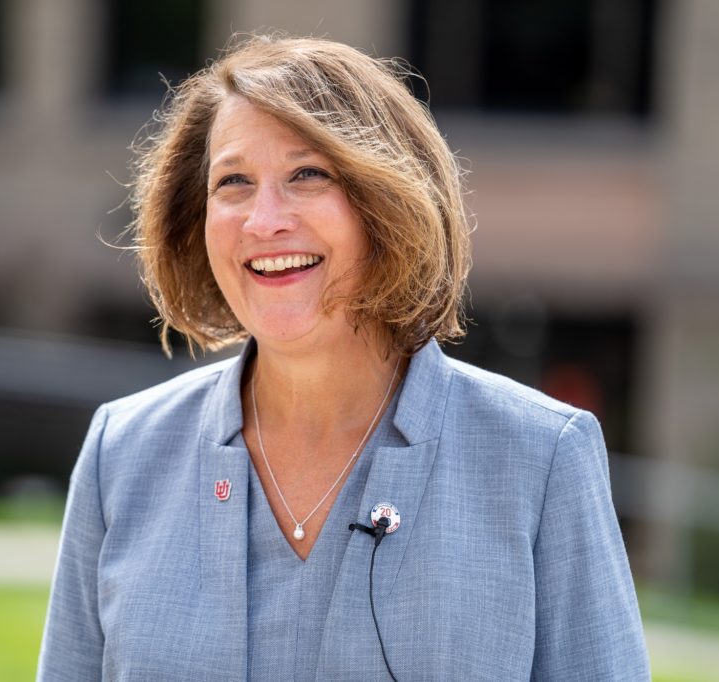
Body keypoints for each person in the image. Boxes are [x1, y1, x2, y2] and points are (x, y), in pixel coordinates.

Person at [37, 34, 650, 680]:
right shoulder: (122, 455)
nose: (263, 220)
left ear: (384, 202)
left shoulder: (540, 460)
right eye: (234, 182)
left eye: (307, 175)